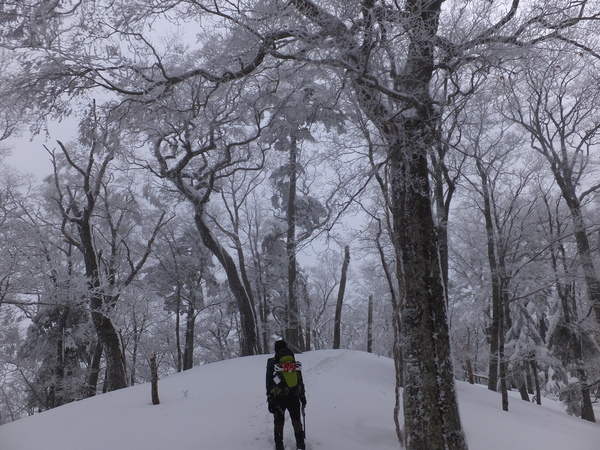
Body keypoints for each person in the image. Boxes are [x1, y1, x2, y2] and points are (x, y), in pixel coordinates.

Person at [266, 339, 307, 450]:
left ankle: (279, 445)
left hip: (278, 397)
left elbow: (269, 382)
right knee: (296, 420)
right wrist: (302, 396)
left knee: (279, 421)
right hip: (294, 394)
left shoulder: (272, 363)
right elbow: (300, 380)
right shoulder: (293, 362)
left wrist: (270, 397)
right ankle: (300, 444)